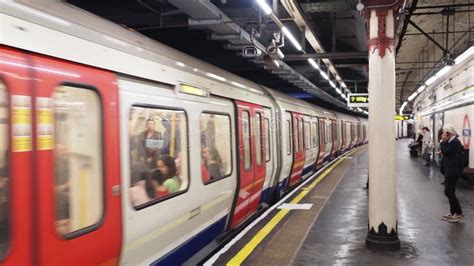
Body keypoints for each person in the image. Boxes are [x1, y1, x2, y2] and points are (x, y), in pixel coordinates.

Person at [440, 125, 465, 223]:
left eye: (446, 133)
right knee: (449, 192)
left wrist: (442, 142)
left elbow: (446, 151)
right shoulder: (452, 141)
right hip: (450, 170)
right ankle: (453, 212)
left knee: (449, 192)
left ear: (449, 133)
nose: (444, 135)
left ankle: (458, 213)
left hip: (453, 171)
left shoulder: (455, 142)